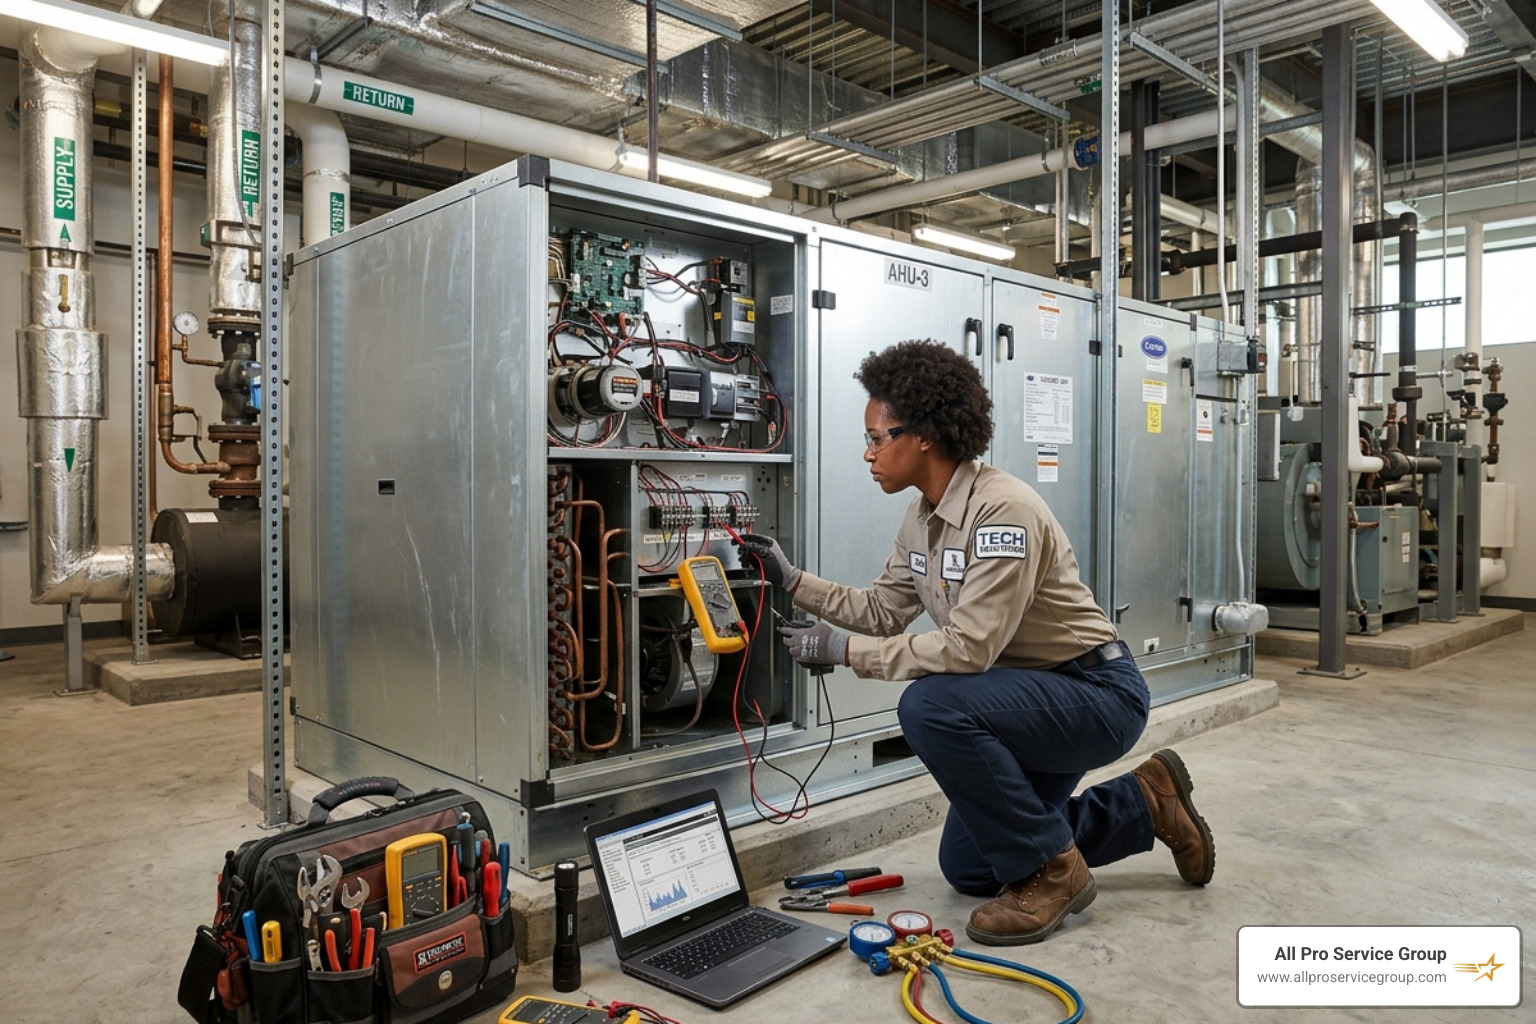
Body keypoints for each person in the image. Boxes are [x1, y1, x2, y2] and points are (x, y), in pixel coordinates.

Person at [736, 338, 1214, 946]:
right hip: (1027, 703)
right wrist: (794, 581)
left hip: (1094, 695)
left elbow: (969, 651)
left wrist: (842, 651)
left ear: (925, 436)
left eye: (879, 438)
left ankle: (1058, 874)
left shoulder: (1002, 512)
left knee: (930, 704)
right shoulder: (922, 517)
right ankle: (1146, 802)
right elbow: (884, 609)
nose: (868, 453)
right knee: (971, 867)